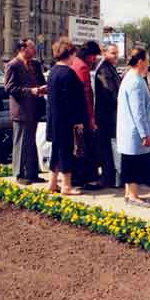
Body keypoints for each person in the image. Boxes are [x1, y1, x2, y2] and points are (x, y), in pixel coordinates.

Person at [117, 48, 150, 207]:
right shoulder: (136, 81)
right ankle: (134, 195)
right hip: (135, 132)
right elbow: (138, 111)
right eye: (147, 60)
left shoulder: (129, 77)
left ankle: (129, 194)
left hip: (129, 131)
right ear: (141, 61)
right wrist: (144, 134)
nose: (148, 63)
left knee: (129, 162)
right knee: (135, 163)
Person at [46, 38, 87, 196]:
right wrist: (78, 121)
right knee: (66, 152)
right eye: (74, 55)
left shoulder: (53, 72)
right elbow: (74, 101)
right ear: (69, 54)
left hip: (55, 119)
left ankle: (52, 183)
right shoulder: (69, 74)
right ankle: (66, 186)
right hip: (66, 121)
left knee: (56, 151)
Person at [4, 38, 47, 185]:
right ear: (23, 49)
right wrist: (31, 91)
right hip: (21, 111)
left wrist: (43, 89)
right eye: (31, 47)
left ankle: (32, 173)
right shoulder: (13, 65)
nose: (34, 50)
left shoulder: (35, 64)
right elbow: (10, 88)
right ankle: (20, 174)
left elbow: (41, 81)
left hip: (34, 110)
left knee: (30, 142)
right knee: (21, 142)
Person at [70, 40, 102, 189]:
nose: (94, 59)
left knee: (77, 146)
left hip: (73, 113)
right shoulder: (82, 67)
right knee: (88, 146)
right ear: (88, 55)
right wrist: (91, 118)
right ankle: (89, 179)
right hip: (83, 114)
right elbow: (87, 95)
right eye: (94, 56)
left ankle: (77, 177)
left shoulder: (74, 63)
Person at [95, 43, 121, 187]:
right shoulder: (104, 69)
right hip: (105, 115)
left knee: (110, 146)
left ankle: (110, 176)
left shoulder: (110, 68)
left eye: (117, 53)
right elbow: (110, 91)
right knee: (106, 147)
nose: (116, 56)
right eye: (113, 53)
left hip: (110, 114)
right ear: (104, 53)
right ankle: (107, 177)